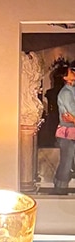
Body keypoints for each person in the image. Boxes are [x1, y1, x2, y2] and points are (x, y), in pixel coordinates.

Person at [54, 63, 75, 194]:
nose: (73, 72)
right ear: (65, 78)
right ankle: (60, 188)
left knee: (67, 160)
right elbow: (72, 112)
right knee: (66, 162)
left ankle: (60, 186)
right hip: (67, 132)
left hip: (71, 129)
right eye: (70, 72)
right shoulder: (66, 93)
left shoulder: (72, 89)